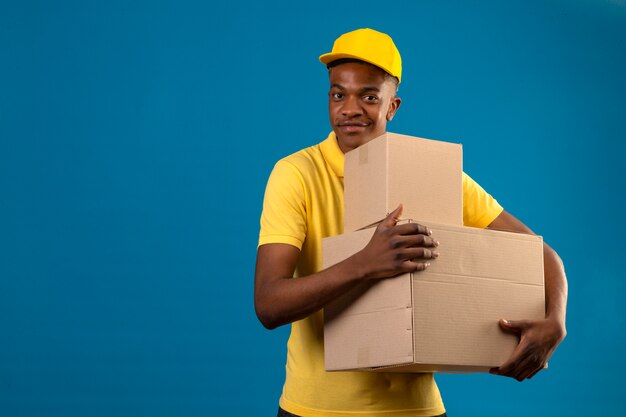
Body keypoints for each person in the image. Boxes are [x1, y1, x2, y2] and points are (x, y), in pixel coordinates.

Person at [254, 28, 567, 417]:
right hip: (316, 408)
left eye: (369, 97)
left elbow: (539, 252)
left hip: (416, 409)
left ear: (392, 107)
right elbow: (269, 304)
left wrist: (555, 319)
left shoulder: (428, 172)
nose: (350, 108)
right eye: (338, 94)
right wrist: (364, 264)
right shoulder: (297, 174)